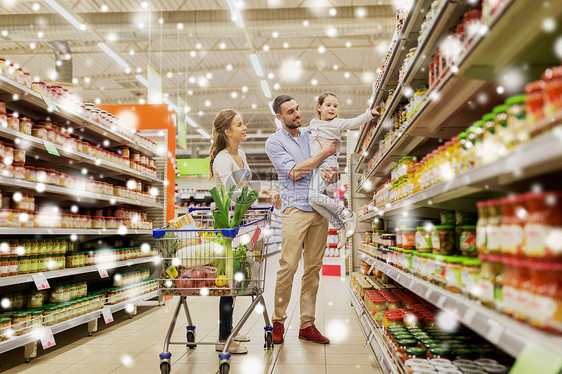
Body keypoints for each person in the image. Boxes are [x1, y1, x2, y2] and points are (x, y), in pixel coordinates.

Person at [265, 94, 338, 345]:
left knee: (313, 268)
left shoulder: (311, 133)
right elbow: (295, 172)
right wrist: (323, 155)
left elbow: (327, 165)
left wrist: (332, 172)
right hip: (295, 209)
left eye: (297, 109)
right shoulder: (274, 142)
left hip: (320, 209)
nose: (297, 114)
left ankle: (307, 324)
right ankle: (278, 322)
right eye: (290, 112)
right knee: (288, 267)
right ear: (279, 116)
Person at [209, 109, 280, 354]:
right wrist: (264, 193)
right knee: (228, 281)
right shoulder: (222, 159)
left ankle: (228, 329)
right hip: (226, 225)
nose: (244, 127)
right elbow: (232, 192)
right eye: (240, 124)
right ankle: (222, 338)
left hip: (240, 222)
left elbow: (247, 187)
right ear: (228, 131)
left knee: (238, 276)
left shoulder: (241, 153)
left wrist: (267, 193)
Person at [308, 92, 381, 249]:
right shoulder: (313, 123)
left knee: (313, 195)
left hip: (327, 161)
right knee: (312, 200)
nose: (332, 108)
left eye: (335, 106)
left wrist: (370, 114)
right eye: (328, 105)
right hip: (315, 163)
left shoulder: (337, 123)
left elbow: (354, 122)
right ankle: (339, 225)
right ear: (319, 107)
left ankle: (346, 214)